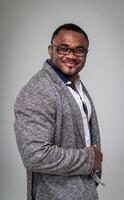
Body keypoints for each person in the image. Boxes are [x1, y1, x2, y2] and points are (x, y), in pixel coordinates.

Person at [14, 23, 103, 200]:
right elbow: (35, 155)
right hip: (55, 195)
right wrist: (90, 159)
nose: (71, 56)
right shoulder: (38, 90)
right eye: (64, 48)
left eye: (79, 50)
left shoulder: (74, 83)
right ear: (50, 50)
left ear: (86, 53)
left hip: (84, 191)